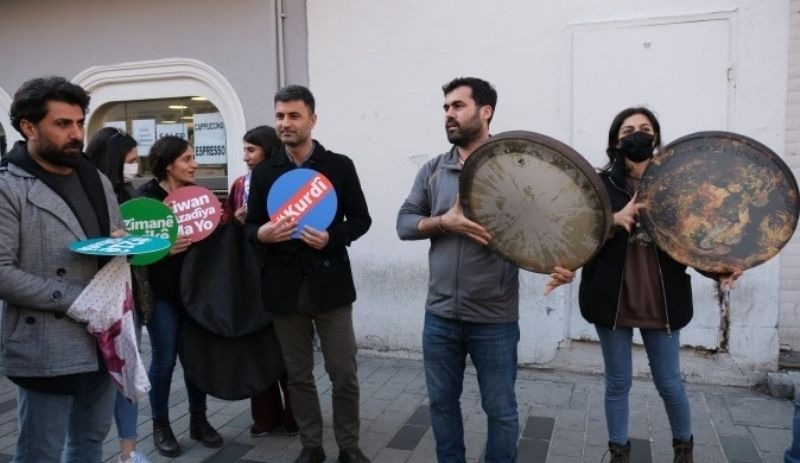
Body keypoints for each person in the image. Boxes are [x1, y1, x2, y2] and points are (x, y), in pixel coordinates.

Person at [396, 77, 573, 463]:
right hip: (439, 316)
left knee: (501, 411)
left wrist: (563, 265)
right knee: (442, 407)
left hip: (494, 317)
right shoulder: (434, 170)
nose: (448, 115)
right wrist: (443, 222)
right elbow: (404, 223)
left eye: (457, 106)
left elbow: (553, 229)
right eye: (445, 108)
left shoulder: (515, 170)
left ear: (485, 111)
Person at [578, 107, 741, 463]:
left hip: (662, 300)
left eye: (646, 128)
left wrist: (719, 272)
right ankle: (619, 453)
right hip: (612, 300)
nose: (638, 134)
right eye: (629, 129)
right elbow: (578, 238)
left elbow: (695, 242)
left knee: (669, 383)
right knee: (618, 384)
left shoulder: (678, 187)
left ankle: (684, 450)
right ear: (615, 140)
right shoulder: (599, 185)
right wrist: (613, 221)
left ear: (656, 138)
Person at [245, 85, 372, 463]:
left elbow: (362, 219)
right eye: (280, 116)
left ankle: (349, 447)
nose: (285, 123)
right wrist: (262, 233)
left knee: (343, 373)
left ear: (312, 120)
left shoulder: (339, 165)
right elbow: (250, 227)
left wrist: (333, 237)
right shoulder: (265, 172)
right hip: (284, 289)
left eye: (294, 115)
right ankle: (311, 446)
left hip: (330, 285)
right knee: (298, 376)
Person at [0, 76, 123, 462]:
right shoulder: (9, 186)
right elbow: (2, 271)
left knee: (89, 443)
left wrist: (127, 244)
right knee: (40, 452)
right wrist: (74, 299)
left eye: (79, 122)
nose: (76, 134)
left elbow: (113, 239)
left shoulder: (94, 176)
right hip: (46, 344)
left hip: (103, 336)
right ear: (28, 127)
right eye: (62, 124)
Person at [137, 136, 223, 457]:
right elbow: (129, 252)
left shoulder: (199, 196)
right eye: (188, 159)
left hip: (195, 294)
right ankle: (161, 426)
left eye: (194, 157)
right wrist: (162, 249)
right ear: (168, 163)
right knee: (164, 360)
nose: (195, 164)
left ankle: (199, 421)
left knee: (195, 359)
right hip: (162, 296)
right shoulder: (146, 199)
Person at [221, 125, 298, 437]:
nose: (245, 157)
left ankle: (296, 416)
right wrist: (239, 223)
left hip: (282, 276)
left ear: (268, 150)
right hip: (249, 279)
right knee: (257, 350)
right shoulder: (240, 186)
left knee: (289, 351)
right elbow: (226, 224)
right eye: (244, 150)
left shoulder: (289, 181)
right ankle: (265, 417)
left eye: (251, 150)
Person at [85, 127, 152, 463]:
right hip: (95, 298)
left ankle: (130, 450)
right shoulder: (85, 194)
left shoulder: (131, 194)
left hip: (129, 296)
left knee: (127, 369)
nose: (135, 166)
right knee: (96, 378)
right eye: (130, 160)